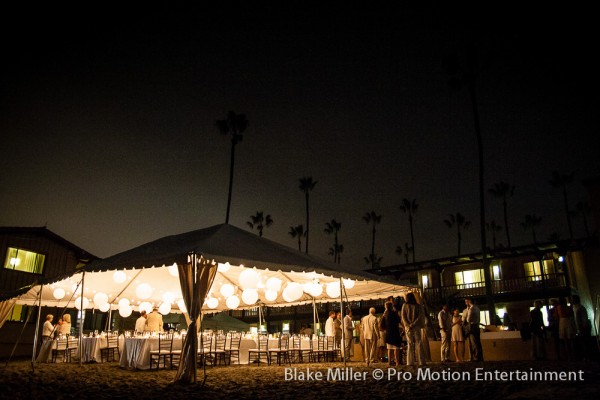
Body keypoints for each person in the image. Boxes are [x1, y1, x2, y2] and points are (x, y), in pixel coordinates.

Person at [401, 292, 426, 366]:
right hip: (416, 326)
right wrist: (413, 324)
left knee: (410, 344)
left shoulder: (404, 305)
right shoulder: (418, 306)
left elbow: (403, 316)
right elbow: (420, 316)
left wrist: (408, 325)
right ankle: (421, 361)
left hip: (408, 327)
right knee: (419, 343)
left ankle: (410, 362)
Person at [382, 301, 402, 366]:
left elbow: (382, 325)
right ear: (391, 306)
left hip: (388, 332)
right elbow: (399, 320)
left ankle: (389, 362)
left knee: (389, 348)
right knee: (396, 348)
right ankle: (397, 362)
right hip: (395, 332)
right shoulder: (394, 313)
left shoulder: (385, 314)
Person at [572, 295, 591, 361]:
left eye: (573, 300)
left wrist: (582, 327)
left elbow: (584, 319)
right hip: (582, 328)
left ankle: (586, 356)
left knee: (584, 342)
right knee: (584, 342)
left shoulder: (579, 308)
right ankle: (586, 356)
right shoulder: (579, 308)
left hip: (582, 328)